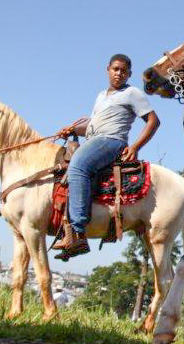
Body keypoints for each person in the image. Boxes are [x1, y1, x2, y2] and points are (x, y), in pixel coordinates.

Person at [52, 54, 160, 260]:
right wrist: (72, 129)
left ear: (129, 74)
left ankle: (77, 232)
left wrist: (136, 146)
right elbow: (93, 127)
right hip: (95, 139)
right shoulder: (101, 96)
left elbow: (153, 121)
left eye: (124, 70)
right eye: (115, 69)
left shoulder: (132, 93)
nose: (119, 73)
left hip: (112, 141)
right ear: (107, 70)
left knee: (77, 167)